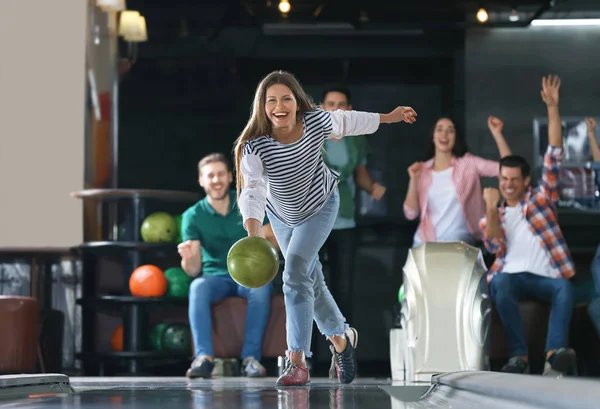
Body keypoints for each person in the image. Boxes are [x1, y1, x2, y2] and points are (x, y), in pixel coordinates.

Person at [233, 70, 417, 386]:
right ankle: (342, 339)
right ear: (262, 106)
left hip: (320, 206)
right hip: (282, 216)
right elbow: (252, 190)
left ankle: (297, 361)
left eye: (286, 98)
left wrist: (390, 116)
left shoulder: (316, 121)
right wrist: (253, 235)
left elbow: (350, 121)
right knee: (310, 279)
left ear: (297, 102)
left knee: (294, 274)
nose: (279, 106)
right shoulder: (254, 146)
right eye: (272, 100)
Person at [479, 75, 577, 376]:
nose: (507, 185)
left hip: (547, 276)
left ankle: (553, 356)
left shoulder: (540, 199)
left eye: (513, 180)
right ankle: (518, 357)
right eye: (503, 180)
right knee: (499, 282)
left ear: (525, 182)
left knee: (565, 286)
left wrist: (553, 108)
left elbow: (555, 153)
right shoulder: (491, 214)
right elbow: (493, 246)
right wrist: (491, 208)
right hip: (511, 277)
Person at [177, 153, 279, 379]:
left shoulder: (248, 203)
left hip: (248, 276)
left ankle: (251, 359)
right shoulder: (192, 216)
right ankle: (204, 358)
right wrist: (187, 258)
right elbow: (194, 270)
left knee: (262, 289)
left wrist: (269, 236)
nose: (216, 180)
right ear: (201, 181)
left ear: (230, 177)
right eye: (210, 176)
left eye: (220, 174)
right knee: (197, 287)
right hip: (215, 277)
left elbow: (273, 241)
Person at [320, 86, 386, 328]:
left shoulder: (356, 139)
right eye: (331, 103)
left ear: (349, 109)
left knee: (343, 290)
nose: (336, 108)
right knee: (311, 288)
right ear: (322, 107)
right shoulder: (309, 136)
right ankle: (308, 358)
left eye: (341, 104)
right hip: (314, 221)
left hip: (344, 219)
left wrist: (372, 188)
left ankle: (343, 357)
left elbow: (361, 175)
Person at [403, 115, 511, 247]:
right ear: (433, 136)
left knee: (451, 260)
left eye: (450, 130)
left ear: (456, 137)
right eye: (440, 129)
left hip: (458, 239)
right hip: (425, 240)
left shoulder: (468, 163)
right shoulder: (422, 170)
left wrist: (497, 134)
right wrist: (413, 180)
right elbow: (411, 213)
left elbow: (510, 170)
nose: (444, 134)